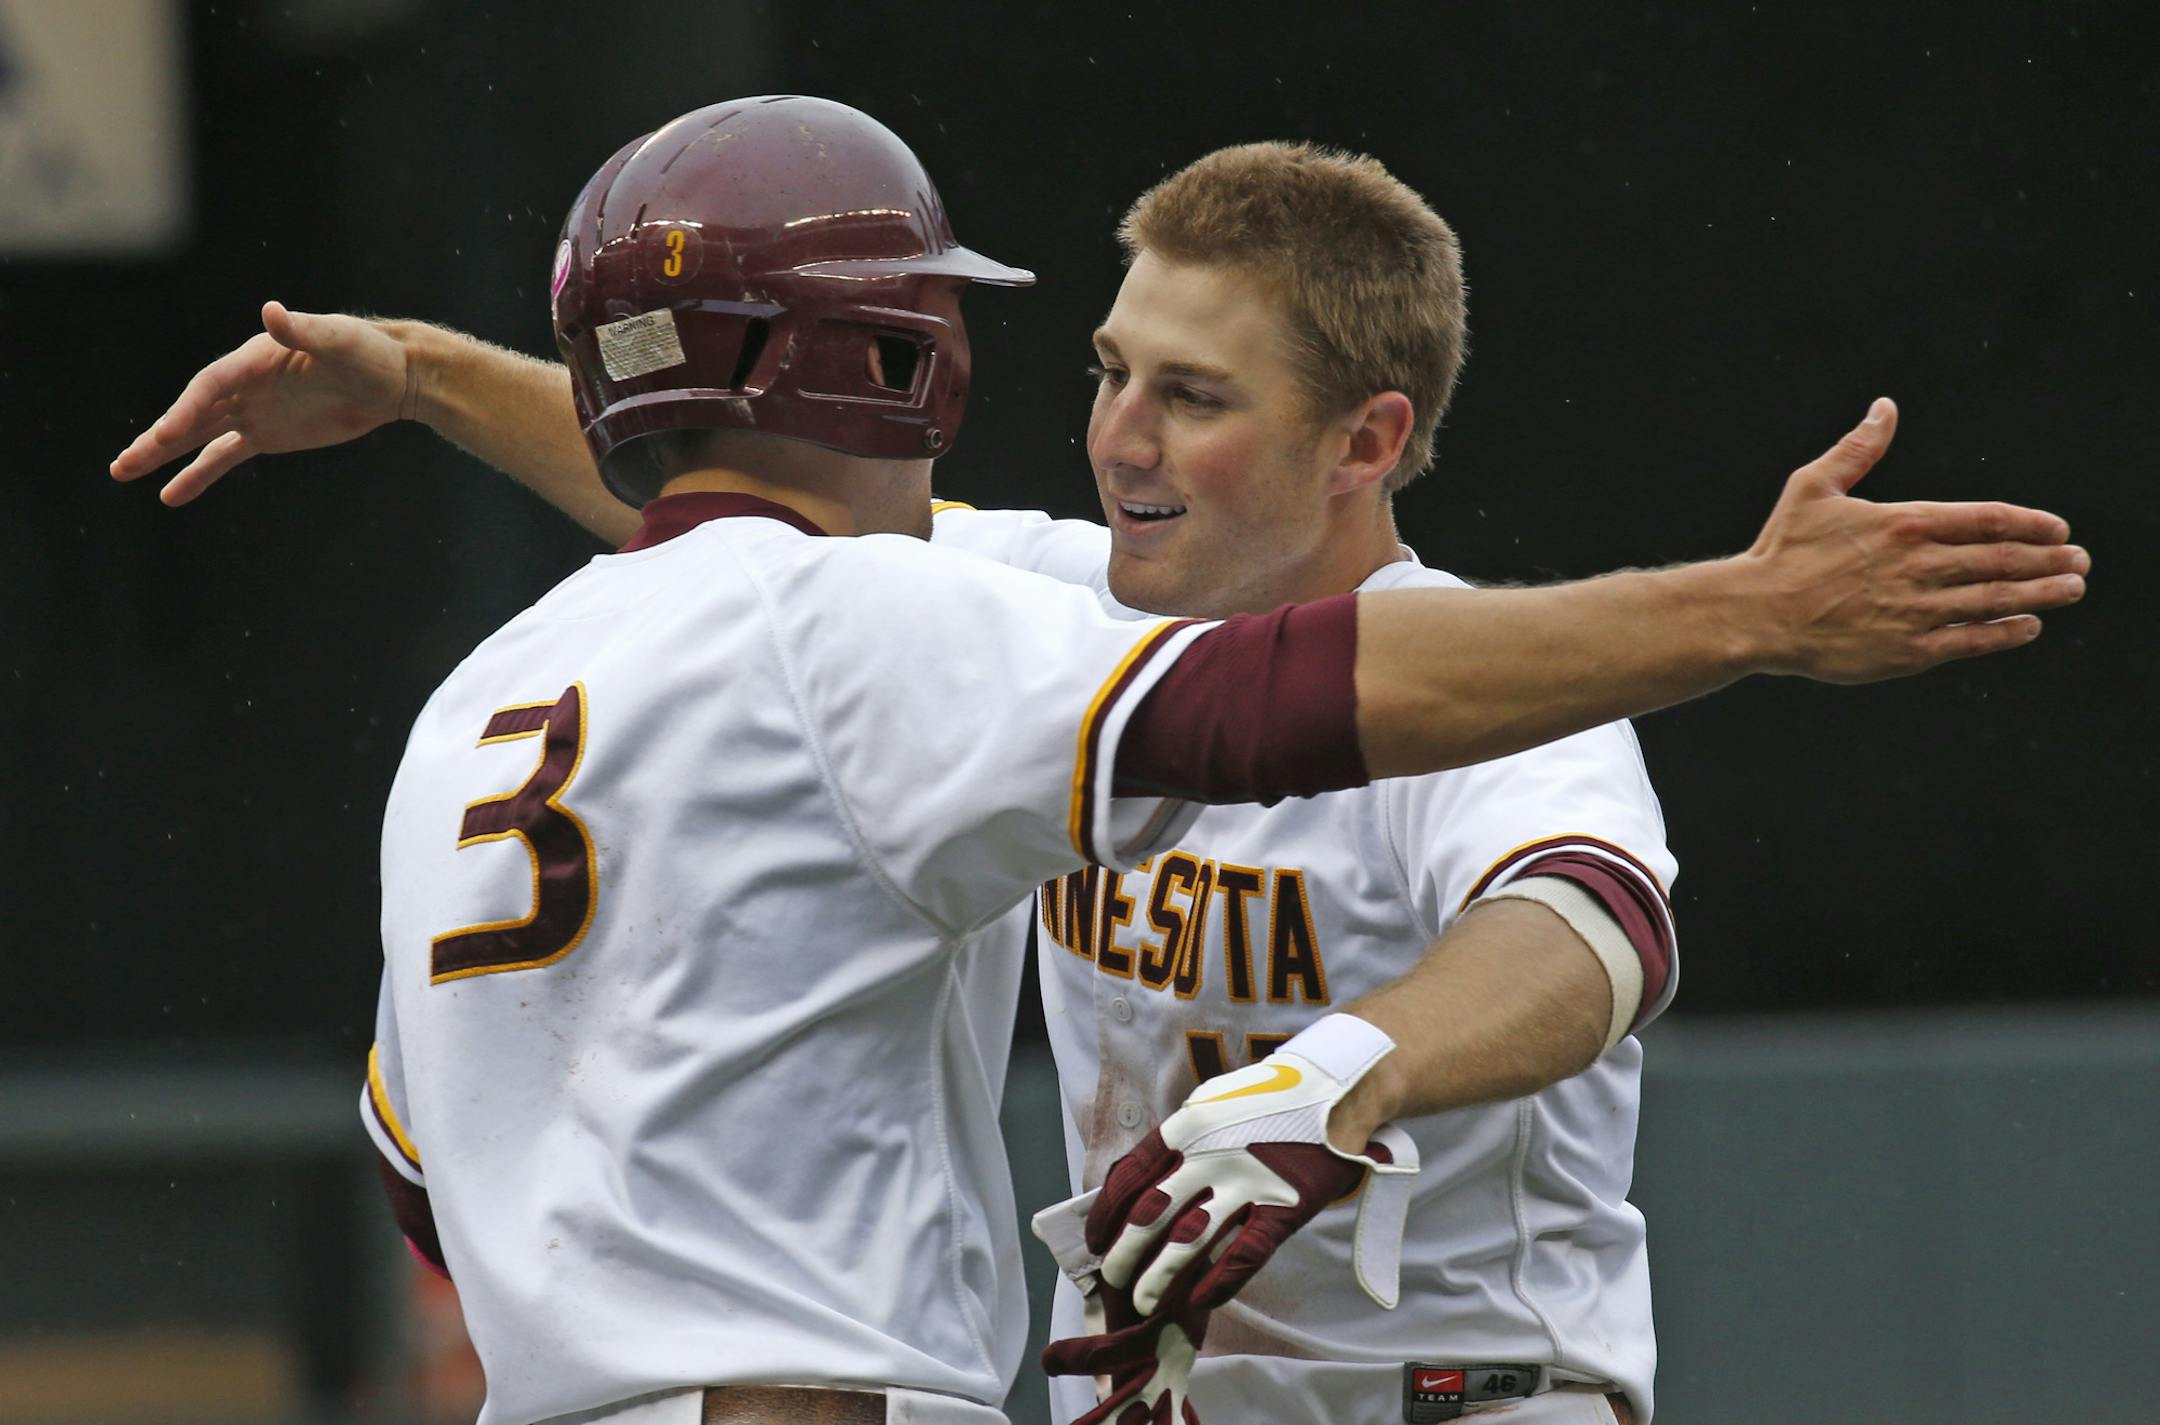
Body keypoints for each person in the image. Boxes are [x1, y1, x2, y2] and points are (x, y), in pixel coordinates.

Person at [113, 106, 2087, 1425]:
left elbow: (1589, 927)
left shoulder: (1507, 672)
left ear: (1364, 439)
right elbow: (755, 529)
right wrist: (428, 371)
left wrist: (1343, 1064)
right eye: (1107, 372)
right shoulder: (998, 611)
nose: (1125, 435)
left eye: (1195, 394)